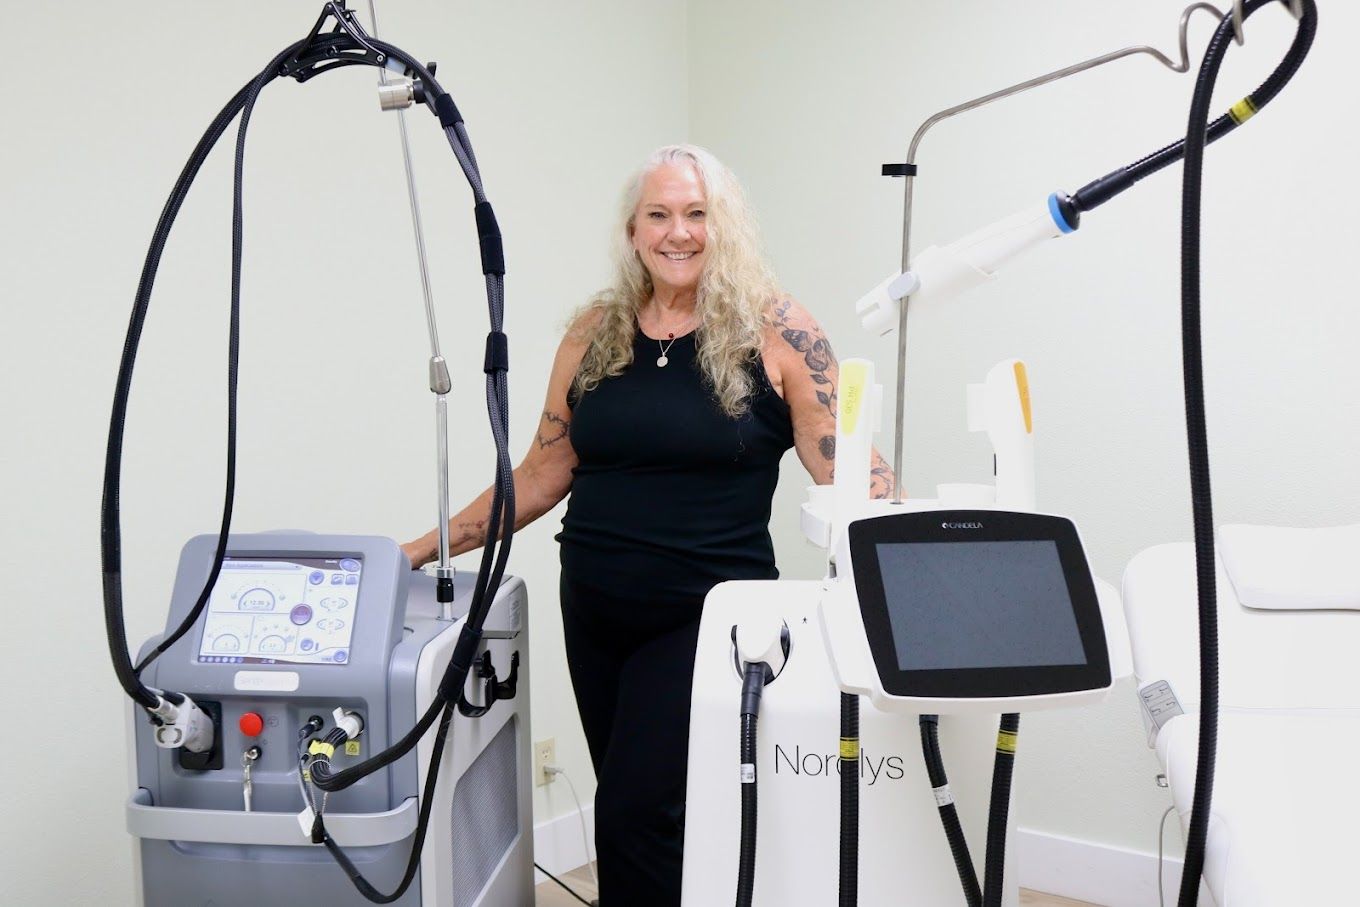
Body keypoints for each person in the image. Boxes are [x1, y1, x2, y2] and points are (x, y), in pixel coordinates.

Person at [403, 144, 893, 904]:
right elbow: (539, 474)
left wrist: (920, 538)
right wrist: (416, 550)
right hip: (595, 608)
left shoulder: (777, 332)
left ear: (725, 227)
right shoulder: (594, 333)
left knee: (630, 814)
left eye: (698, 214)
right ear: (633, 231)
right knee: (653, 812)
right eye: (659, 214)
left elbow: (847, 462)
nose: (679, 232)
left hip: (706, 615)